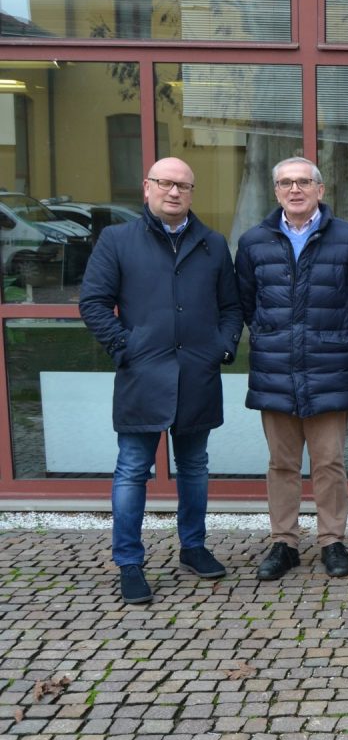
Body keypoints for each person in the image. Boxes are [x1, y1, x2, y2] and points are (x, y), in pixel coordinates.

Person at [79, 158, 242, 605]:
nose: (174, 192)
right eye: (166, 184)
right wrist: (124, 347)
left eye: (183, 186)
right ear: (147, 187)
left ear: (192, 193)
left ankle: (193, 547)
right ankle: (129, 563)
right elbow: (93, 302)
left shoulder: (212, 243)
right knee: (132, 470)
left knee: (195, 467)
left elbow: (231, 307)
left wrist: (222, 347)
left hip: (197, 375)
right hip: (142, 375)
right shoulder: (117, 240)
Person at [236, 157, 348, 581]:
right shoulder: (253, 242)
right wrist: (268, 335)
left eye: (303, 182)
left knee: (329, 463)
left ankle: (331, 541)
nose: (295, 189)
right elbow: (247, 302)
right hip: (275, 366)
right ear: (276, 191)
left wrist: (340, 340)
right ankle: (284, 542)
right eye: (286, 183)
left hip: (329, 366)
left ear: (320, 190)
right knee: (281, 464)